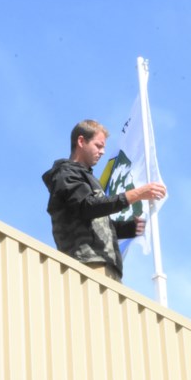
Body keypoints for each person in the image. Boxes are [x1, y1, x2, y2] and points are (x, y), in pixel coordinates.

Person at [42, 119, 167, 282]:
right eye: (98, 146)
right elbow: (87, 207)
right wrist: (136, 194)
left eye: (103, 148)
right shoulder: (66, 174)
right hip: (88, 264)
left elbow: (96, 223)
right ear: (81, 141)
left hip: (106, 265)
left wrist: (132, 228)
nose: (101, 152)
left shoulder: (87, 178)